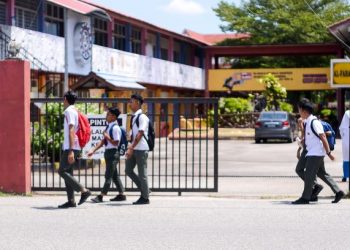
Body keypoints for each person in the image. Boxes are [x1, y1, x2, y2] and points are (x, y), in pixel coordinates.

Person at [292, 98, 344, 204]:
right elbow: (308, 138)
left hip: (316, 153)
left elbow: (323, 136)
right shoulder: (307, 121)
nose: (298, 112)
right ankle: (338, 191)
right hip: (312, 151)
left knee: (309, 174)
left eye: (299, 110)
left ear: (304, 111)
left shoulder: (314, 122)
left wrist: (329, 153)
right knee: (321, 173)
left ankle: (306, 197)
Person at [58, 91, 91, 208]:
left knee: (62, 171)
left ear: (65, 99)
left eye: (63, 99)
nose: (62, 101)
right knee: (68, 173)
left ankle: (83, 190)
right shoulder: (74, 111)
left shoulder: (69, 111)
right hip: (75, 146)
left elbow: (71, 130)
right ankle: (71, 201)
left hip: (71, 147)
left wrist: (71, 150)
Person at [87, 107, 126, 203]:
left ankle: (101, 196)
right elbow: (103, 141)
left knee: (108, 175)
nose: (106, 116)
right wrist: (93, 150)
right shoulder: (109, 127)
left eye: (108, 114)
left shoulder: (115, 128)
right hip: (108, 153)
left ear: (113, 117)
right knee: (114, 175)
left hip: (113, 153)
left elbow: (116, 143)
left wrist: (107, 136)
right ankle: (122, 194)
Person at [125, 94, 150, 205]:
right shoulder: (134, 116)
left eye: (132, 101)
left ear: (138, 103)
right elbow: (134, 134)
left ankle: (145, 198)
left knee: (142, 174)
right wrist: (130, 146)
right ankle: (146, 190)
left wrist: (131, 147)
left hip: (141, 149)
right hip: (134, 148)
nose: (130, 104)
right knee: (128, 170)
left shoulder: (142, 117)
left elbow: (140, 133)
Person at [339, 109, 350, 182]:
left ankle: (345, 176)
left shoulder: (347, 113)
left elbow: (341, 128)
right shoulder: (347, 113)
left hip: (346, 137)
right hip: (346, 136)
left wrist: (343, 136)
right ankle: (345, 175)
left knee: (346, 158)